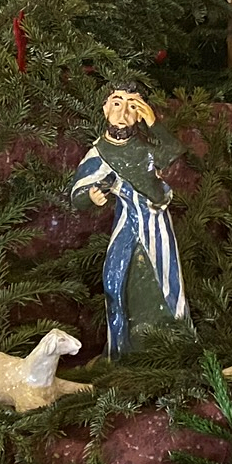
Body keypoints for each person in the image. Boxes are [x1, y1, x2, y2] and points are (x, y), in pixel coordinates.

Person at [70, 86, 193, 356]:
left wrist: (153, 122)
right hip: (126, 226)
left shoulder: (146, 150)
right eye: (117, 103)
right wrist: (90, 196)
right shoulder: (99, 153)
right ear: (105, 109)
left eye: (133, 106)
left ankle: (172, 345)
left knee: (163, 279)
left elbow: (172, 152)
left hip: (156, 226)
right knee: (117, 280)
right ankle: (123, 349)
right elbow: (78, 192)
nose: (123, 112)